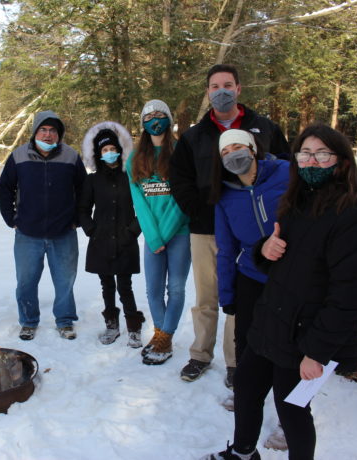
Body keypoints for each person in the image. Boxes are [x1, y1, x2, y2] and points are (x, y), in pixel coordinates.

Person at [203, 124, 357, 460]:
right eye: (305, 153)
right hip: (272, 318)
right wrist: (262, 251)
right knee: (246, 387)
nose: (311, 161)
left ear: (342, 161)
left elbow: (351, 295)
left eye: (322, 154)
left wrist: (317, 351)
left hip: (305, 333)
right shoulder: (298, 200)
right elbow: (286, 262)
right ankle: (242, 453)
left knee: (292, 411)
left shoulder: (355, 213)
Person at [170, 64, 291, 384]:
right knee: (207, 297)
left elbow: (285, 170)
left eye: (227, 85)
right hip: (206, 229)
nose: (220, 91)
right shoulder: (194, 136)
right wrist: (196, 210)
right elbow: (178, 178)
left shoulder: (263, 127)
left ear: (238, 88)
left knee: (239, 297)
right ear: (208, 92)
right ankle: (200, 354)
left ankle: (237, 361)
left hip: (251, 235)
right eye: (214, 86)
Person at [0, 110, 87, 340]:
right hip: (28, 233)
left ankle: (65, 320)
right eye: (43, 130)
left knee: (65, 280)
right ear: (35, 132)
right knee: (26, 281)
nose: (48, 135)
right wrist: (12, 219)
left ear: (59, 134)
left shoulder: (70, 156)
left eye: (53, 131)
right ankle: (28, 321)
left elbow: (84, 191)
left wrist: (77, 219)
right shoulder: (19, 156)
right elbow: (5, 188)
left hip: (63, 233)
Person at [209, 129, 289, 383]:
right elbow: (226, 250)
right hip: (250, 275)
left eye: (237, 147)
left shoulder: (287, 173)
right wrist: (227, 295)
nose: (233, 155)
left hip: (289, 277)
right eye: (226, 152)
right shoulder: (224, 195)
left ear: (252, 149)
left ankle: (287, 405)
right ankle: (246, 392)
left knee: (286, 343)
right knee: (246, 341)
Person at [126, 100, 190, 365]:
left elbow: (184, 198)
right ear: (142, 122)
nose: (154, 119)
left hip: (180, 233)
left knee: (175, 288)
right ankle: (161, 336)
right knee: (153, 289)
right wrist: (153, 236)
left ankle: (164, 339)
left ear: (169, 118)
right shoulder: (135, 158)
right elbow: (138, 200)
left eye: (160, 114)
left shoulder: (181, 153)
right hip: (152, 236)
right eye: (148, 115)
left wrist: (164, 234)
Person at [78, 121, 145, 347]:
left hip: (126, 240)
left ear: (119, 150)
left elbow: (143, 207)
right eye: (105, 150)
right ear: (99, 153)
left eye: (113, 149)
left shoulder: (131, 176)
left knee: (125, 286)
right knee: (107, 286)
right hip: (101, 240)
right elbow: (83, 209)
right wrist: (91, 230)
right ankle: (111, 325)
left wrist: (133, 231)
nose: (110, 153)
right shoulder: (92, 179)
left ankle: (134, 327)